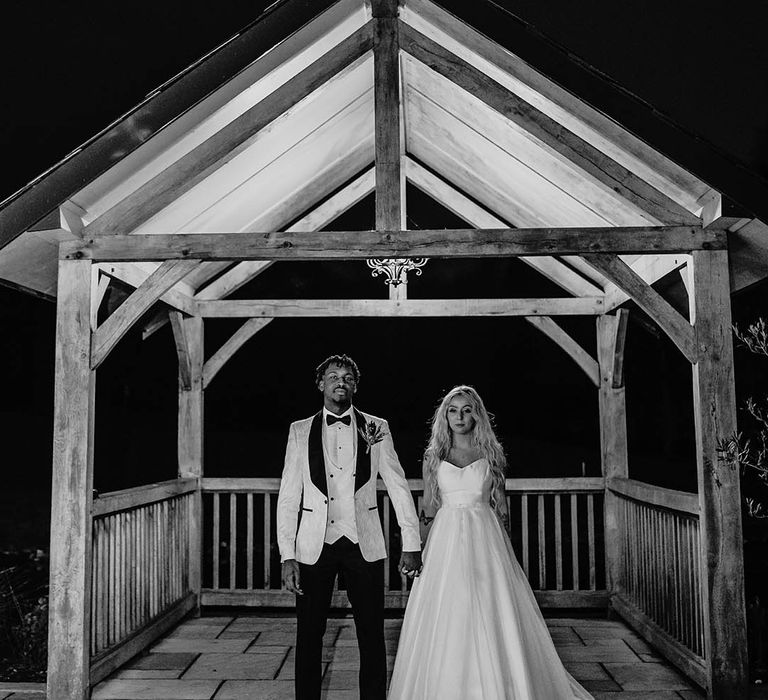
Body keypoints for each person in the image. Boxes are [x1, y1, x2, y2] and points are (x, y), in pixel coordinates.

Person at [388, 385, 593, 700]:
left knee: (489, 607)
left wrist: (505, 556)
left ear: (476, 415)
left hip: (485, 538)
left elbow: (501, 507)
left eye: (466, 409)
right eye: (453, 410)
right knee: (449, 609)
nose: (459, 416)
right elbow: (429, 509)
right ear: (445, 416)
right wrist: (417, 550)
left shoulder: (490, 454)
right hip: (445, 541)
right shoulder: (435, 456)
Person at [276, 354, 422, 700]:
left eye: (347, 377)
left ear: (355, 385)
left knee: (371, 634)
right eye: (333, 376)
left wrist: (412, 542)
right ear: (320, 384)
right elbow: (287, 496)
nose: (340, 382)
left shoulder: (377, 426)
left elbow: (398, 486)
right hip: (314, 545)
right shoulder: (299, 431)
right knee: (309, 635)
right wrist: (287, 555)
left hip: (364, 543)